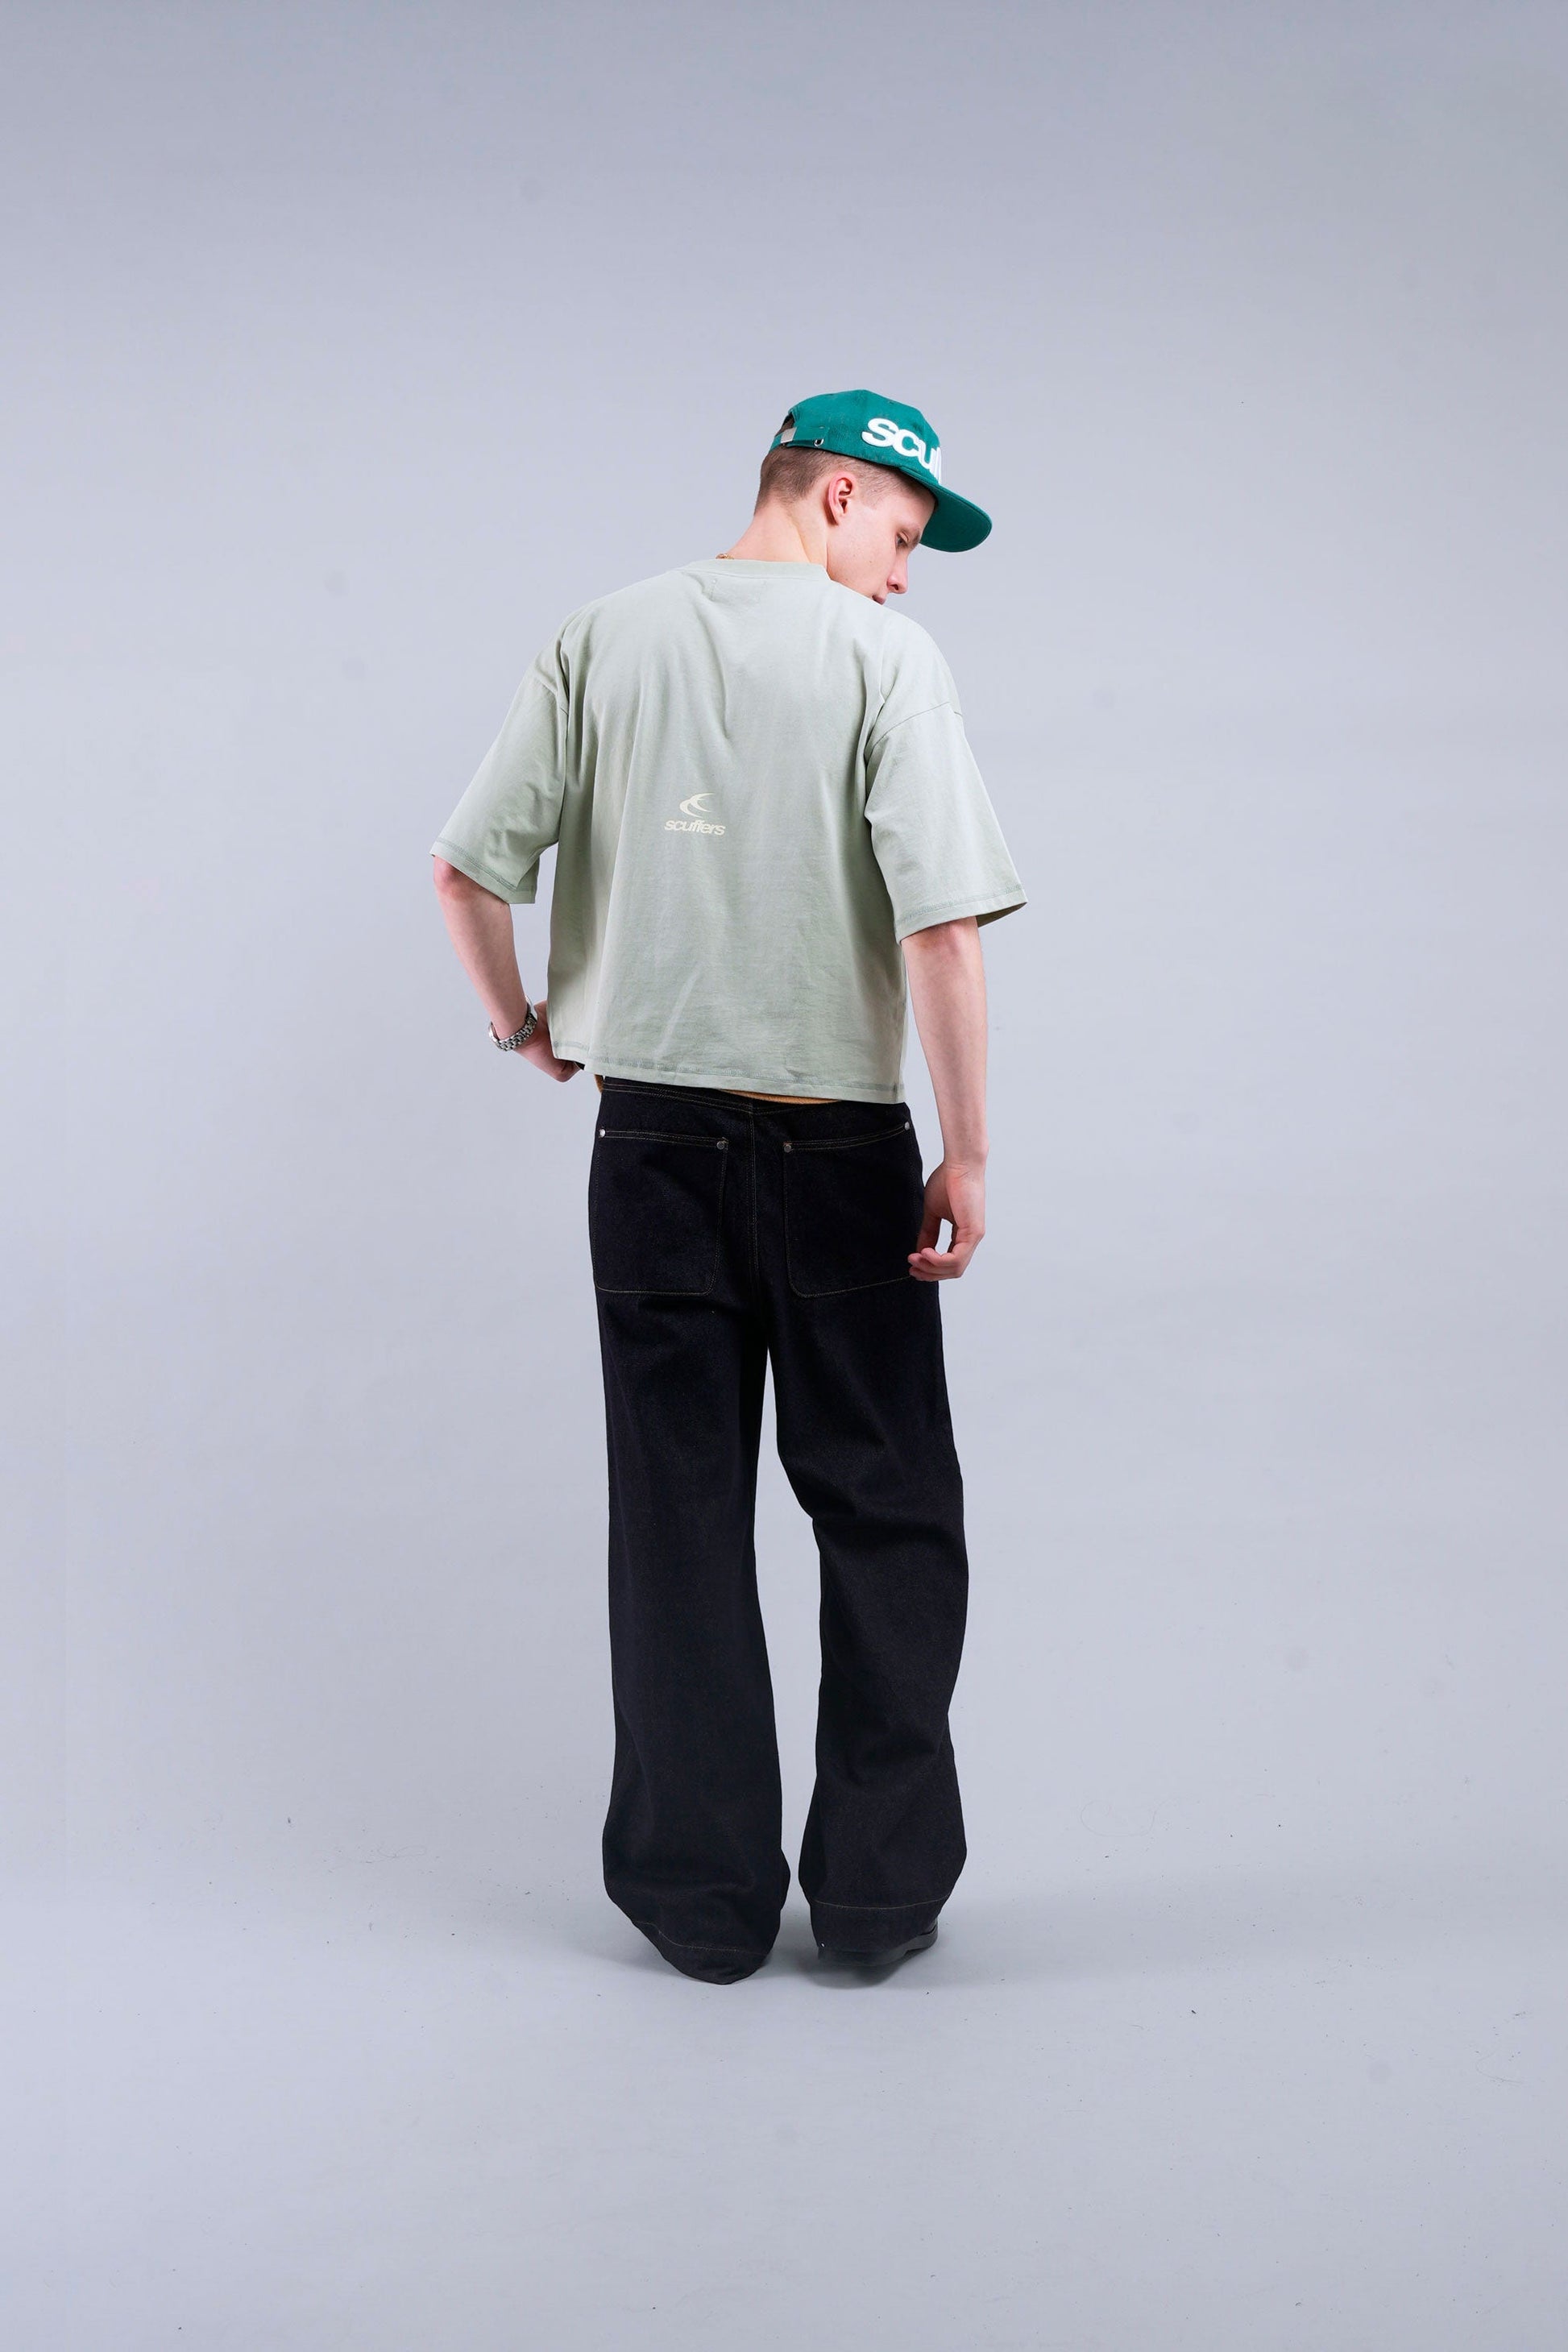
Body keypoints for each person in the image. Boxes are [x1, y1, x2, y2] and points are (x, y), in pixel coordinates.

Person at [431, 389, 1025, 1985]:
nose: (905, 571)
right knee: (887, 1510)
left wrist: (524, 1026)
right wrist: (966, 1147)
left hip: (649, 1149)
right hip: (839, 1152)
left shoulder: (600, 637)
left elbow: (465, 869)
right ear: (837, 494)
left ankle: (700, 1906)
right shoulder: (883, 661)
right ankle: (878, 1899)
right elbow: (941, 926)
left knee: (676, 1520)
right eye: (903, 532)